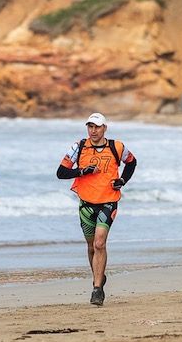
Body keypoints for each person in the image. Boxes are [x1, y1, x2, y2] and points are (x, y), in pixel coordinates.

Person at [56, 112, 137, 307]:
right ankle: (98, 276)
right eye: (90, 127)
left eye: (97, 127)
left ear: (104, 128)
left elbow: (131, 162)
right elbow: (61, 172)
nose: (93, 131)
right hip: (86, 202)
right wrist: (81, 171)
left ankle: (97, 288)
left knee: (100, 244)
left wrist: (122, 180)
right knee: (92, 246)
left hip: (108, 201)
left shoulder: (116, 147)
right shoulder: (80, 147)